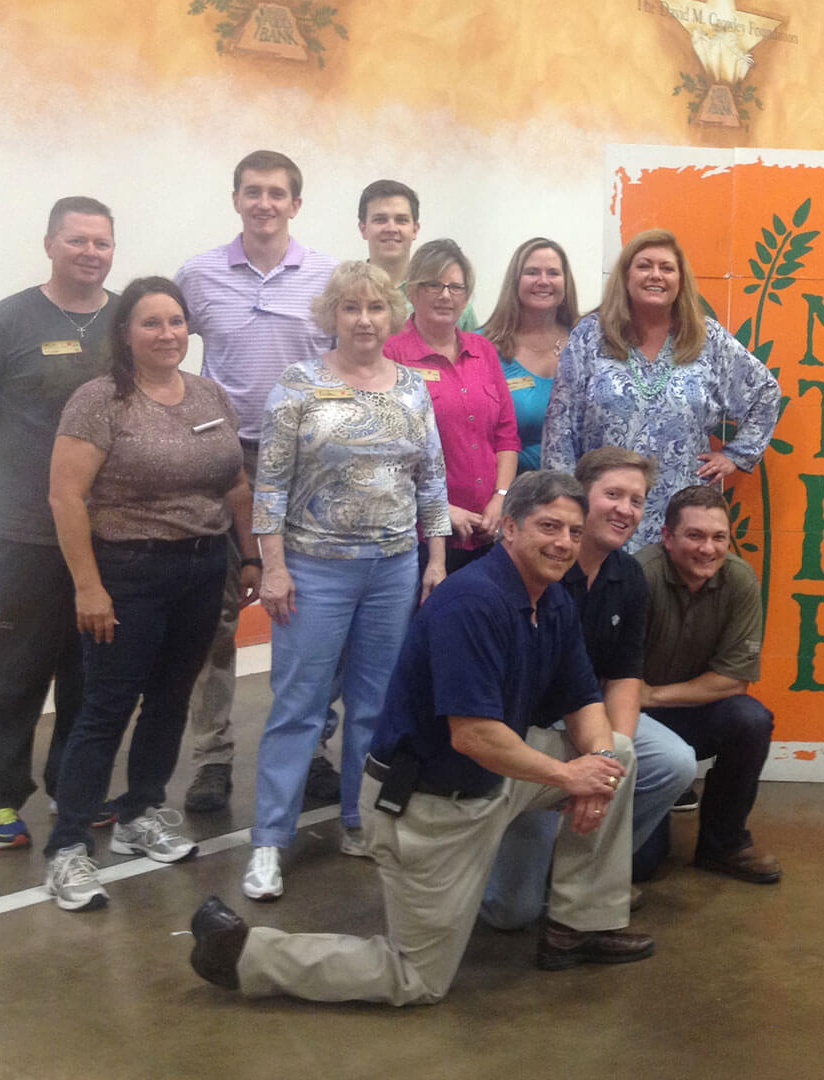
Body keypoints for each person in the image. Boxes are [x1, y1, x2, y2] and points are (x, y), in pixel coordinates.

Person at [186, 471, 654, 1005]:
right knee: (416, 979)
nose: (564, 543)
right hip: (430, 805)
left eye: (574, 531)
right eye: (549, 527)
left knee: (616, 753)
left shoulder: (551, 600)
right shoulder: (472, 601)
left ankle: (579, 926)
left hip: (495, 779)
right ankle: (246, 954)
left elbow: (582, 700)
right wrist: (570, 775)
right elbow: (474, 736)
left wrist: (594, 765)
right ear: (508, 528)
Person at [42, 278, 257, 910]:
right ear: (125, 334)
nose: (167, 334)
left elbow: (236, 485)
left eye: (176, 322)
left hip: (200, 570)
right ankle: (69, 847)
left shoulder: (209, 393)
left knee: (169, 700)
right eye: (151, 323)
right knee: (106, 708)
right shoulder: (99, 401)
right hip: (127, 573)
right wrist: (88, 586)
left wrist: (246, 554)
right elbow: (65, 497)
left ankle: (141, 813)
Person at [243, 261, 452, 901]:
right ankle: (269, 844)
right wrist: (273, 568)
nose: (364, 320)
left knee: (375, 704)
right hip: (313, 571)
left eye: (376, 308)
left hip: (393, 567)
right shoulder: (298, 385)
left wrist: (436, 559)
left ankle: (362, 822)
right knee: (299, 706)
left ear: (393, 316)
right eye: (351, 309)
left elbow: (432, 480)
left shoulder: (414, 387)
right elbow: (269, 485)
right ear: (331, 315)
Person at [0, 196, 117, 849]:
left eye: (101, 242)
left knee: (91, 670)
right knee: (14, 669)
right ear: (50, 244)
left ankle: (77, 786)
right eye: (77, 240)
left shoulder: (125, 318)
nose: (90, 252)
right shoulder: (7, 322)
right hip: (22, 532)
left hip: (107, 532)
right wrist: (29, 476)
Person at [176, 150, 341, 814]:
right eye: (253, 192)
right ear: (236, 198)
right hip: (223, 464)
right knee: (213, 617)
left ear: (296, 204)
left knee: (308, 612)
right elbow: (159, 350)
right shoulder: (197, 275)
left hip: (306, 464)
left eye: (277, 193)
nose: (264, 203)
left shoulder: (327, 275)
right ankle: (212, 758)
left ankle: (312, 752)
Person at [478, 448, 700, 927]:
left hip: (586, 715)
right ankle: (507, 862)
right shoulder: (545, 565)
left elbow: (624, 675)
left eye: (636, 500)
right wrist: (576, 772)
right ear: (582, 498)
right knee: (510, 914)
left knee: (669, 760)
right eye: (613, 495)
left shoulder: (629, 576)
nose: (625, 509)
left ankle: (584, 870)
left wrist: (611, 763)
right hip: (527, 725)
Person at [541, 228, 781, 551]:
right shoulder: (589, 336)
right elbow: (560, 426)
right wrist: (565, 505)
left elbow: (765, 393)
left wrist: (737, 456)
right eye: (644, 266)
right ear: (626, 276)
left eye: (667, 268)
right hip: (602, 522)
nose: (656, 275)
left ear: (681, 280)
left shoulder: (707, 339)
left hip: (683, 526)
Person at [634, 485, 781, 883]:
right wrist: (643, 700)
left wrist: (654, 694)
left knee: (750, 721)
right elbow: (616, 680)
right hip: (636, 721)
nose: (708, 549)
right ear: (667, 537)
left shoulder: (739, 579)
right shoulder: (639, 577)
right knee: (642, 866)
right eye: (695, 535)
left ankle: (724, 845)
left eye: (719, 537)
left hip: (678, 708)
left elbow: (733, 681)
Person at [385, 239, 519, 573]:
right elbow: (385, 453)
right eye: (433, 284)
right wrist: (438, 509)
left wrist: (500, 498)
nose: (445, 295)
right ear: (412, 291)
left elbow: (506, 435)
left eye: (456, 287)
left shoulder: (484, 350)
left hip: (488, 531)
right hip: (420, 537)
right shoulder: (392, 355)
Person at [481, 238, 580, 472]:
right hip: (508, 493)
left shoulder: (585, 344)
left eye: (553, 273)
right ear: (515, 282)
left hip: (576, 495)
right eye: (532, 272)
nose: (543, 281)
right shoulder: (482, 348)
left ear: (566, 284)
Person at [355, 178, 479, 329]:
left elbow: (474, 350)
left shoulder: (450, 298)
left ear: (415, 229)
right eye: (380, 219)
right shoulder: (346, 294)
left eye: (401, 220)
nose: (391, 228)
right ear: (363, 229)